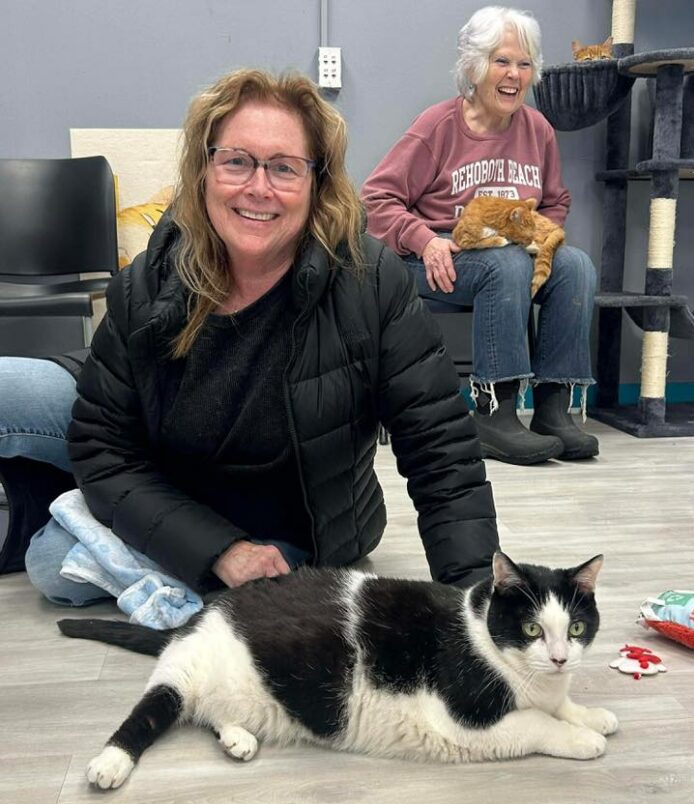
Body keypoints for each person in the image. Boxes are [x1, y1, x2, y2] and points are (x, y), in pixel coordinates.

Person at [0, 67, 498, 609]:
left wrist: (479, 611)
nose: (258, 188)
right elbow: (103, 444)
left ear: (317, 184)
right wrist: (215, 553)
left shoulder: (369, 282)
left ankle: (90, 512)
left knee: (52, 563)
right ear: (204, 171)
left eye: (284, 168)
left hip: (288, 517)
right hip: (159, 457)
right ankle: (91, 506)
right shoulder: (148, 278)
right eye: (236, 161)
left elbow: (441, 447)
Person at [361, 6, 599, 466]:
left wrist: (540, 236)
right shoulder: (438, 126)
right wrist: (425, 240)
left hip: (504, 258)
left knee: (576, 265)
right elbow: (377, 198)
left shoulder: (539, 131)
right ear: (475, 66)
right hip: (434, 260)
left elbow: (554, 202)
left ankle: (554, 410)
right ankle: (494, 410)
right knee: (506, 264)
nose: (514, 75)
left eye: (524, 63)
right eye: (502, 61)